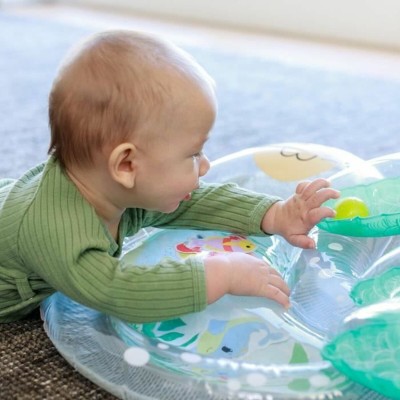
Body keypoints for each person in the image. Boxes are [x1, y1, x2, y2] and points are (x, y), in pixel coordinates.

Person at [0, 30, 339, 324]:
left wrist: (275, 214)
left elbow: (190, 202)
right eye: (193, 154)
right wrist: (219, 275)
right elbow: (118, 291)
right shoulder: (57, 230)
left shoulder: (111, 187)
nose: (205, 166)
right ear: (126, 165)